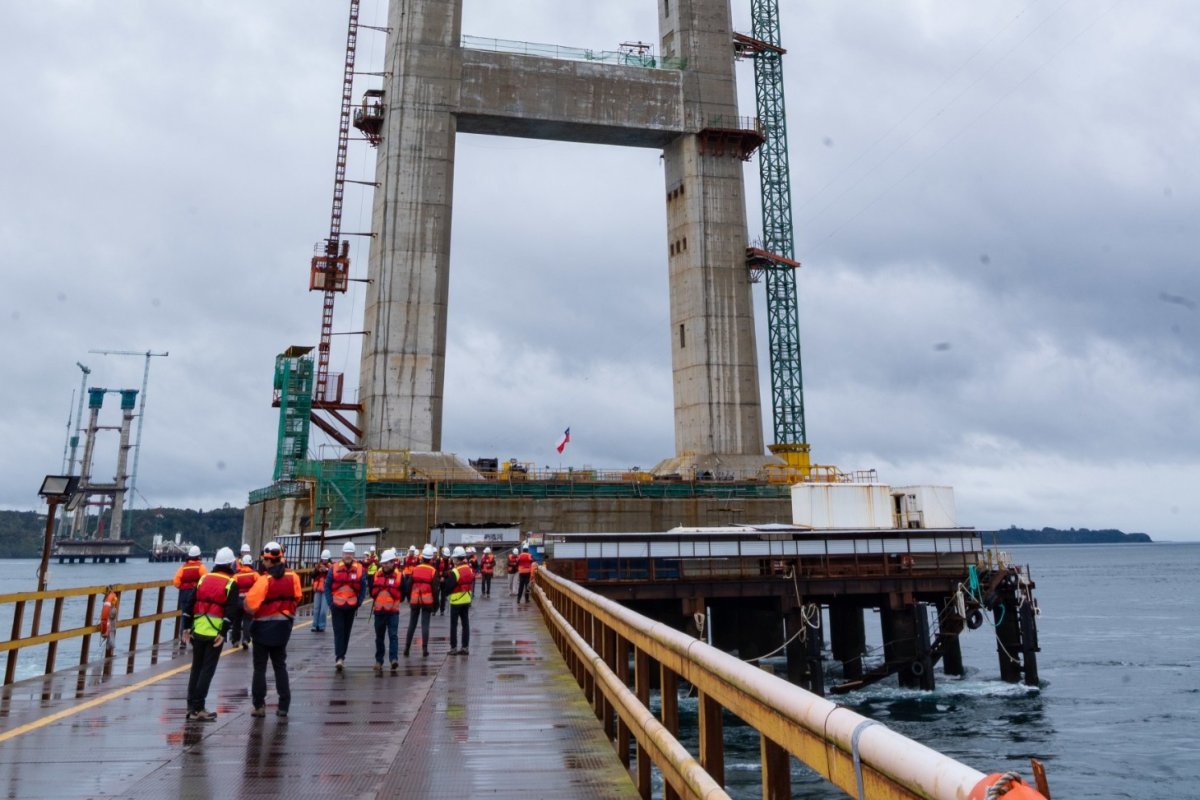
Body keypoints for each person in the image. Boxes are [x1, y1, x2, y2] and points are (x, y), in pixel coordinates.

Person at [244, 541, 301, 718]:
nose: (263, 563)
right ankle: (284, 705)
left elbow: (250, 605)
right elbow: (298, 597)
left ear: (269, 560)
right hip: (283, 629)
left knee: (259, 668)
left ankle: (259, 705)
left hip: (262, 630)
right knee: (279, 666)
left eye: (265, 560)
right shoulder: (294, 577)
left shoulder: (264, 581)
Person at [185, 547, 238, 721]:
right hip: (215, 634)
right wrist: (223, 633)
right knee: (207, 671)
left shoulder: (203, 579)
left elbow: (189, 605)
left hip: (198, 630)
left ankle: (191, 705)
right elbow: (231, 612)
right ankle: (199, 708)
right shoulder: (231, 583)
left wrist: (186, 627)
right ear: (230, 564)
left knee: (196, 669)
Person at [325, 541, 367, 672]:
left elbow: (363, 586)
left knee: (346, 632)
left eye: (350, 553)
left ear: (353, 554)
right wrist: (330, 603)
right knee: (339, 632)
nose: (348, 555)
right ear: (342, 554)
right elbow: (327, 585)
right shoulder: (334, 567)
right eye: (346, 553)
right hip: (337, 605)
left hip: (351, 606)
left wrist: (359, 602)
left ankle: (342, 655)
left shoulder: (360, 568)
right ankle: (339, 658)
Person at [369, 549, 404, 673]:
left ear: (393, 562)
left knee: (393, 636)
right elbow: (372, 592)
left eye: (388, 562)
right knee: (379, 637)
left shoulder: (399, 576)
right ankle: (379, 661)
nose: (385, 565)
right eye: (383, 563)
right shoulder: (376, 575)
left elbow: (403, 594)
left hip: (393, 611)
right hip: (379, 611)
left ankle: (393, 659)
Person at [404, 544, 438, 657]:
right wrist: (436, 604)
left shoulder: (415, 569)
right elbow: (435, 589)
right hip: (427, 601)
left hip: (415, 600)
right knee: (425, 625)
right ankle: (424, 649)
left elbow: (408, 585)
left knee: (412, 624)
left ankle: (407, 648)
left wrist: (409, 598)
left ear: (422, 558)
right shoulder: (433, 571)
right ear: (431, 559)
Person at [444, 546, 475, 655]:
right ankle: (465, 647)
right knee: (465, 624)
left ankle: (453, 648)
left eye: (454, 558)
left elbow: (448, 587)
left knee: (454, 625)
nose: (453, 560)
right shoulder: (469, 569)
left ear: (457, 559)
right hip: (466, 599)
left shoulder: (455, 571)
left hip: (456, 601)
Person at [173, 545, 207, 645]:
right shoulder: (201, 567)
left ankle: (183, 639)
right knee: (196, 616)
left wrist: (183, 586)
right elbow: (205, 581)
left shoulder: (182, 568)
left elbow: (176, 582)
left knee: (184, 615)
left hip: (184, 595)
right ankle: (193, 636)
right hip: (196, 595)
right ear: (199, 556)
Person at [229, 554, 258, 648]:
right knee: (247, 620)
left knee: (236, 621)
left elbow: (230, 588)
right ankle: (246, 639)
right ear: (251, 563)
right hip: (248, 601)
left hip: (238, 600)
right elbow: (259, 587)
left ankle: (235, 640)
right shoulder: (255, 574)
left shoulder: (236, 575)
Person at [310, 549, 331, 633]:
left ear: (329, 558)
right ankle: (315, 626)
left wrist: (326, 570)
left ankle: (321, 626)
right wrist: (318, 570)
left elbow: (333, 575)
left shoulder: (332, 567)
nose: (324, 560)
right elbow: (312, 575)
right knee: (316, 608)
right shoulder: (318, 566)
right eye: (323, 559)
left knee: (323, 610)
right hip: (318, 589)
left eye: (326, 559)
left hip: (326, 590)